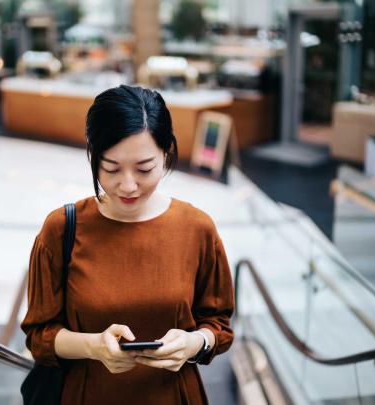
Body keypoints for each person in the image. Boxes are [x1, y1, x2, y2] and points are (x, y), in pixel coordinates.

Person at [20, 85, 235, 404]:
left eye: (145, 169)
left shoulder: (196, 228)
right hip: (89, 395)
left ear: (166, 154)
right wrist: (93, 346)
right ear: (93, 157)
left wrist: (194, 344)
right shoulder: (62, 228)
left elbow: (218, 326)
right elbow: (39, 336)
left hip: (173, 395)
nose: (129, 185)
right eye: (111, 169)